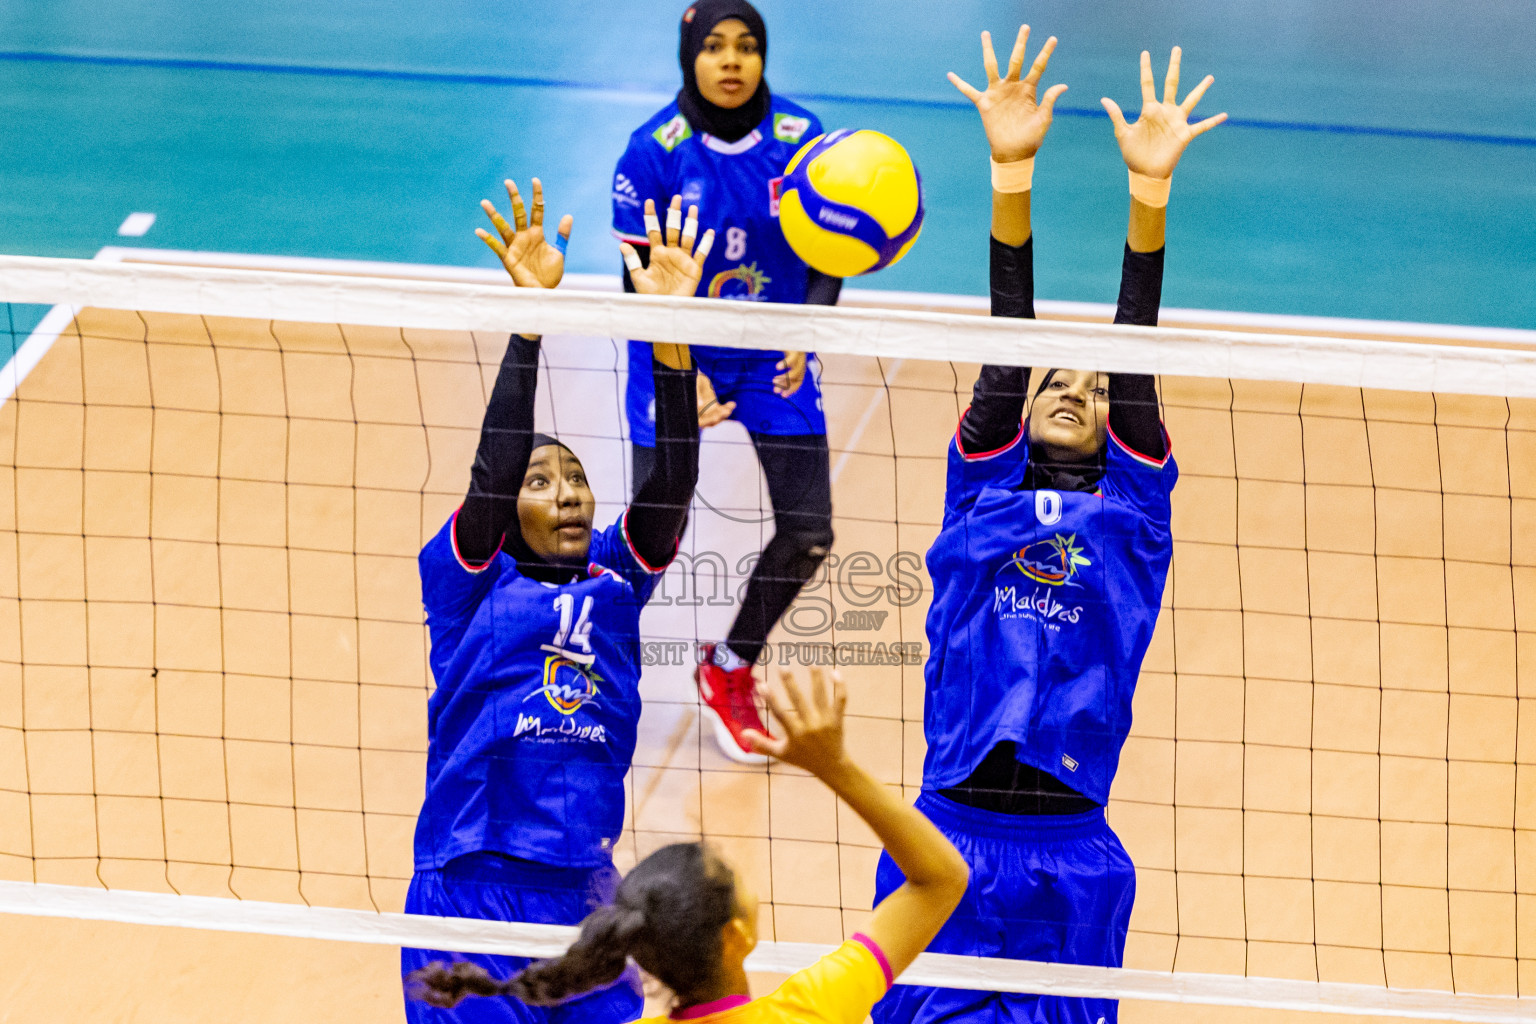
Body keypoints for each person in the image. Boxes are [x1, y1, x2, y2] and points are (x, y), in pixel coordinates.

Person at [871, 28, 1226, 1024]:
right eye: (1056, 381)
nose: (1075, 387)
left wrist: (1147, 197)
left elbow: (1137, 353)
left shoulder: (1133, 517)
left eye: (1094, 386)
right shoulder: (977, 492)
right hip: (947, 840)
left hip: (1075, 856)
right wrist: (1010, 170)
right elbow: (1006, 346)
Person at [402, 180, 717, 1024]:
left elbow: (675, 480)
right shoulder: (467, 579)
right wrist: (530, 321)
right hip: (471, 882)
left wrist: (670, 333)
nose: (567, 492)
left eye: (575, 476)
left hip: (584, 892)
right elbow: (492, 469)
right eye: (541, 483)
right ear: (510, 510)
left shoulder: (618, 577)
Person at [407, 666, 970, 1024]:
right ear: (737, 936)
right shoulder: (814, 1008)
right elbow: (941, 879)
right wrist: (836, 767)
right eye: (737, 878)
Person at [611, 0, 844, 764]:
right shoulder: (651, 153)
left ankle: (729, 664)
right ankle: (593, 662)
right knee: (656, 534)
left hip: (774, 352)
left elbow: (831, 255)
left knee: (809, 532)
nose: (733, 60)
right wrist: (683, 371)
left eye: (747, 45)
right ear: (691, 57)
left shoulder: (805, 141)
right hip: (679, 356)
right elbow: (636, 280)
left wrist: (807, 336)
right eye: (715, 46)